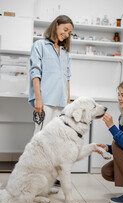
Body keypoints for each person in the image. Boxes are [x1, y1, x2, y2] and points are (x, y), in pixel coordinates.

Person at [28, 15, 74, 187]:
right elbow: (35, 72)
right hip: (45, 101)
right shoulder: (39, 45)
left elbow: (67, 78)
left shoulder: (65, 53)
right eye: (65, 30)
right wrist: (38, 99)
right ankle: (32, 179)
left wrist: (68, 102)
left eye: (69, 32)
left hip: (61, 103)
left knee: (56, 143)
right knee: (40, 141)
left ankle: (46, 179)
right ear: (56, 25)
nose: (67, 34)